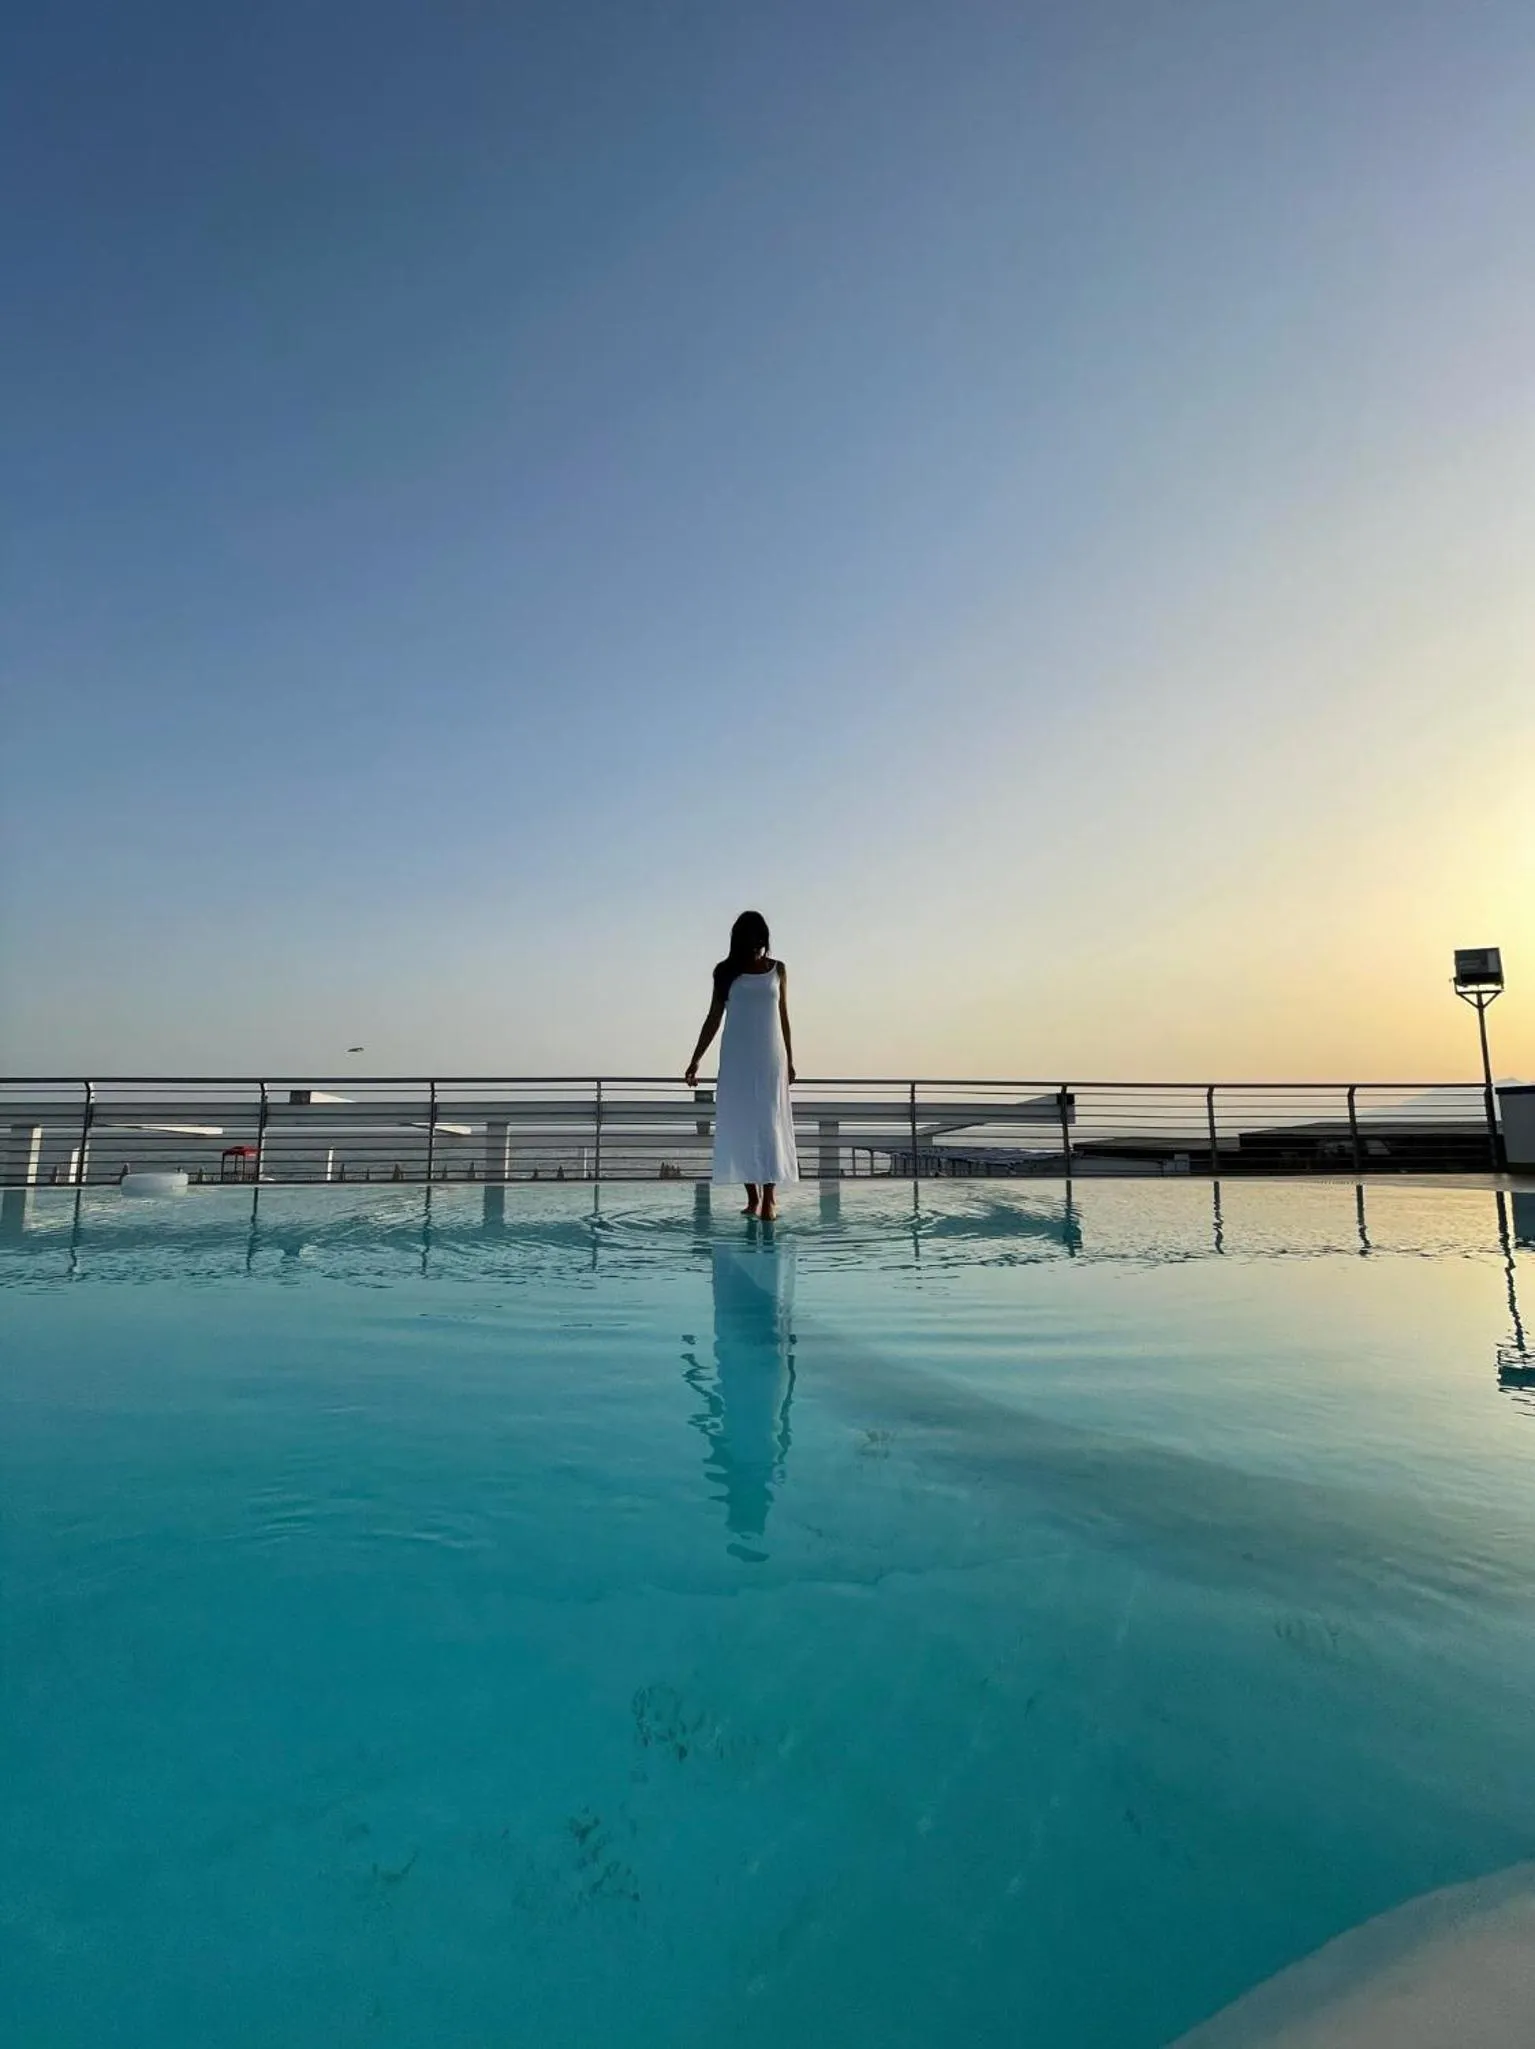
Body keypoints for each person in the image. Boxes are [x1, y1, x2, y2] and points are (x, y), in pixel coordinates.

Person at [684, 911, 799, 1218]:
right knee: (743, 1123)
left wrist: (790, 1059)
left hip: (770, 1059)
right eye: (750, 936)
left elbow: (784, 1017)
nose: (756, 942)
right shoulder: (725, 973)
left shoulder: (778, 970)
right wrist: (696, 1059)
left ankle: (770, 1197)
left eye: (759, 936)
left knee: (770, 1122)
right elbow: (713, 1018)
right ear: (739, 939)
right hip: (737, 1059)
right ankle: (752, 1196)